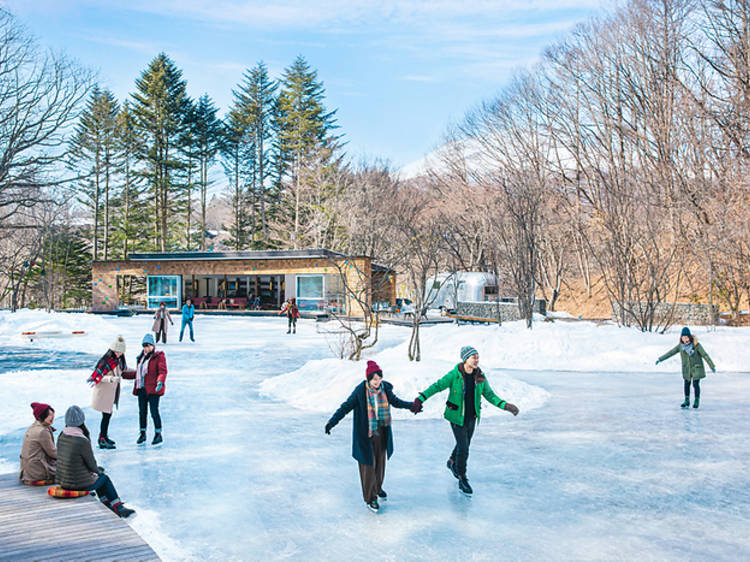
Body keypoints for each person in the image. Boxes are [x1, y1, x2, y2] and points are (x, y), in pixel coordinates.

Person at [413, 346, 519, 496]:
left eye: (477, 357)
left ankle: (451, 462)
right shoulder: (454, 375)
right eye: (473, 357)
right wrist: (420, 399)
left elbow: (489, 395)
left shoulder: (480, 377)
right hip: (456, 417)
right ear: (465, 359)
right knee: (464, 447)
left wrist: (506, 406)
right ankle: (462, 478)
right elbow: (437, 386)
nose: (476, 360)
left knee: (464, 444)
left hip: (472, 417)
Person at [325, 360, 415, 512]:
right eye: (374, 379)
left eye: (379, 378)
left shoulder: (384, 388)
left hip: (382, 430)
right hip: (365, 433)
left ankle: (377, 487)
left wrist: (412, 406)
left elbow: (396, 402)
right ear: (368, 379)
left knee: (380, 462)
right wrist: (332, 422)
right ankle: (370, 497)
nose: (377, 382)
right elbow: (346, 406)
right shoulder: (360, 391)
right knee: (368, 465)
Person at [56, 405, 134, 518]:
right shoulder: (81, 440)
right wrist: (97, 470)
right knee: (104, 478)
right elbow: (92, 465)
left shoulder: (62, 435)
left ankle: (106, 503)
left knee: (98, 476)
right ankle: (118, 508)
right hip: (77, 484)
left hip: (64, 481)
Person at [656, 326, 716, 409]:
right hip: (687, 368)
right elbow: (671, 353)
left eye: (686, 337)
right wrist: (660, 359)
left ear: (689, 337)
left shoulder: (696, 345)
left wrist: (712, 366)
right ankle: (686, 400)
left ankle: (696, 400)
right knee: (686, 383)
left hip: (696, 368)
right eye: (683, 337)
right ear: (681, 338)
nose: (685, 339)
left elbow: (705, 355)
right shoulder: (680, 346)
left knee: (695, 384)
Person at [88, 336, 127, 449]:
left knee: (107, 415)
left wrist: (137, 372)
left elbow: (124, 370)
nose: (118, 353)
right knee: (106, 415)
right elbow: (97, 377)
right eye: (116, 351)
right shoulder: (106, 361)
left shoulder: (119, 360)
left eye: (120, 351)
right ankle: (102, 439)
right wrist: (111, 379)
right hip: (103, 393)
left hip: (111, 393)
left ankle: (104, 436)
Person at [132, 333, 168, 445]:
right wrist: (122, 374)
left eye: (148, 345)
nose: (146, 348)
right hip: (142, 388)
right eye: (144, 346)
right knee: (142, 412)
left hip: (153, 389)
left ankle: (158, 434)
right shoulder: (140, 358)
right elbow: (137, 373)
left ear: (153, 346)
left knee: (154, 412)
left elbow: (162, 371)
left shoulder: (159, 356)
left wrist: (160, 381)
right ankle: (142, 433)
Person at [19, 402, 57, 483]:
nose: (53, 417)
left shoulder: (33, 427)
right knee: (70, 470)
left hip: (28, 471)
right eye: (50, 415)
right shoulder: (42, 431)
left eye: (53, 414)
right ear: (42, 416)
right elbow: (53, 453)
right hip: (38, 472)